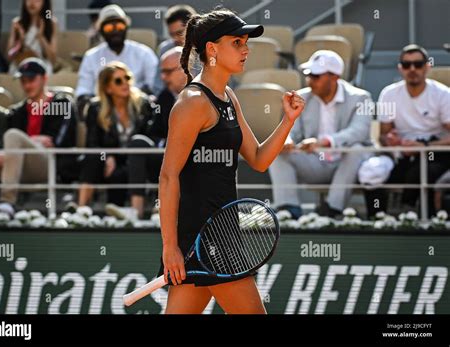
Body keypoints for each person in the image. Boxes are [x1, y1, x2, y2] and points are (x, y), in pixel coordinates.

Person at [158, 9, 304, 314]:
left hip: (221, 230)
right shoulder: (192, 103)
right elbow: (168, 177)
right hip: (203, 237)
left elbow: (259, 159)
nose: (246, 49)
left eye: (245, 42)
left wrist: (287, 121)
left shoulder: (227, 96)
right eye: (237, 42)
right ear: (212, 49)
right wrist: (170, 248)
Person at [268, 50, 372, 218]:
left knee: (357, 150)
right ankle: (289, 210)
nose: (310, 80)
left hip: (345, 164)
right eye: (308, 75)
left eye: (316, 76)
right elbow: (291, 131)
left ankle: (332, 210)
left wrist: (324, 142)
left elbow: (359, 131)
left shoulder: (361, 97)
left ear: (334, 77)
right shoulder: (302, 96)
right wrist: (286, 141)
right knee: (277, 152)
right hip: (313, 162)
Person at [364, 44, 450, 218]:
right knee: (370, 174)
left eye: (418, 64)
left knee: (422, 172)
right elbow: (383, 135)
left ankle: (416, 219)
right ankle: (378, 223)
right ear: (400, 68)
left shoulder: (442, 94)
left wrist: (424, 145)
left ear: (427, 66)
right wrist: (391, 141)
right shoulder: (388, 94)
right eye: (406, 64)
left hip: (437, 154)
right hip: (402, 156)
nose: (412, 69)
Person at [0, 58, 77, 217]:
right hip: (14, 167)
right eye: (23, 81)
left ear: (44, 78)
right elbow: (6, 146)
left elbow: (56, 143)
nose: (27, 85)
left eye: (31, 80)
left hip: (50, 165)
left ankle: (6, 202)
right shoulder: (17, 111)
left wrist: (25, 143)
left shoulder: (61, 103)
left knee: (13, 136)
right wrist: (33, 141)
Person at [78, 62, 157, 219]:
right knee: (94, 157)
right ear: (107, 88)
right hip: (108, 163)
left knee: (123, 169)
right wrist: (107, 156)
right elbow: (92, 143)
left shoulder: (143, 104)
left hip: (138, 161)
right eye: (118, 81)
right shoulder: (96, 108)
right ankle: (81, 211)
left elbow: (150, 139)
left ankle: (134, 214)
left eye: (127, 78)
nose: (125, 83)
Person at [76, 4, 159, 105]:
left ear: (126, 28)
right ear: (101, 31)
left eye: (120, 26)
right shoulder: (91, 56)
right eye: (109, 28)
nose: (115, 31)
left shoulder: (144, 53)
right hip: (102, 110)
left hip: (136, 108)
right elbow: (83, 89)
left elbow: (154, 86)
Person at [153, 5, 199, 95]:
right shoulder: (165, 49)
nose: (175, 39)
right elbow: (157, 85)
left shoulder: (207, 48)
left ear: (193, 27)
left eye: (180, 33)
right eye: (171, 34)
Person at [7, 0, 58, 75]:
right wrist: (21, 41)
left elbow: (53, 59)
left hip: (42, 64)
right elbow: (9, 57)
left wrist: (41, 37)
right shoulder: (17, 23)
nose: (32, 3)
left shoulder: (51, 23)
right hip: (21, 63)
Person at [150, 46, 188, 146]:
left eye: (168, 72)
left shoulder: (204, 95)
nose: (163, 77)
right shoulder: (164, 97)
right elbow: (155, 133)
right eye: (162, 72)